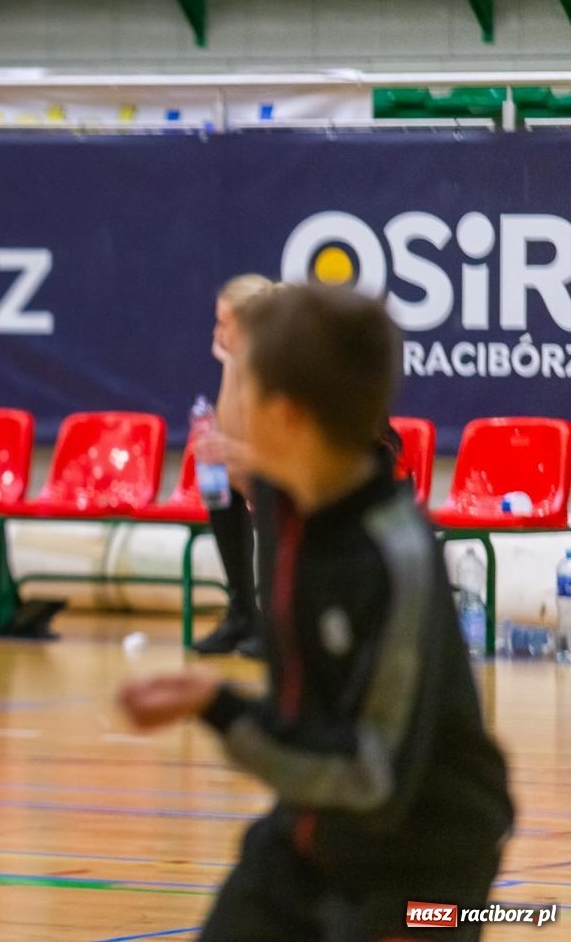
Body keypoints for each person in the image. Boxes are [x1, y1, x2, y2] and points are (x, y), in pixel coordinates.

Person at [118, 283, 513, 942]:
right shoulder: (286, 497)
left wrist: (217, 706)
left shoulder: (393, 560)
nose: (227, 413)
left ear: (287, 418)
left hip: (423, 865)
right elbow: (233, 454)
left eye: (247, 386)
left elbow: (368, 777)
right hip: (308, 833)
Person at [190, 273, 272, 658]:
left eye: (224, 323)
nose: (216, 332)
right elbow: (230, 431)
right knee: (218, 485)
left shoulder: (282, 362)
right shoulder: (246, 361)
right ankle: (243, 611)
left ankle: (279, 621)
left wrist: (236, 457)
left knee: (268, 487)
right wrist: (229, 365)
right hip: (275, 470)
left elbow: (272, 449)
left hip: (317, 480)